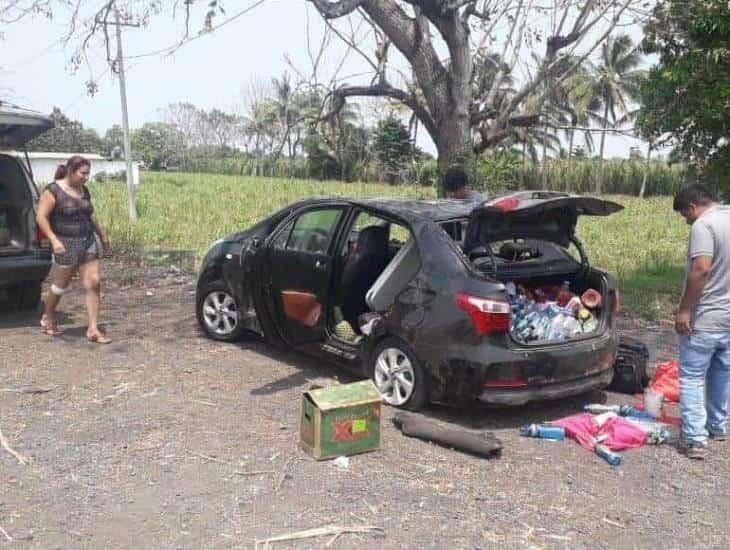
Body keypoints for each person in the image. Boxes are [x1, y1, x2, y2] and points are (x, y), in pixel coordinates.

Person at [673, 184, 730, 459]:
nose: (686, 221)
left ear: (693, 207)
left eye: (685, 215)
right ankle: (716, 426)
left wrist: (685, 309)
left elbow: (701, 269)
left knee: (692, 376)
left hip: (705, 316)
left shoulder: (703, 226)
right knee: (722, 372)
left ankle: (695, 438)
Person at [36, 155, 112, 344]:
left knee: (94, 282)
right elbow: (41, 217)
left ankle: (93, 329)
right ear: (71, 171)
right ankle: (47, 316)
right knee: (60, 286)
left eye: (88, 174)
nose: (86, 177)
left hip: (87, 240)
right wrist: (53, 240)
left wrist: (102, 236)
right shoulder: (53, 190)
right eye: (82, 173)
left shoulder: (84, 190)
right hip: (65, 243)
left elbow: (90, 216)